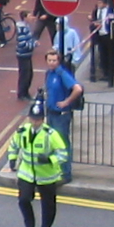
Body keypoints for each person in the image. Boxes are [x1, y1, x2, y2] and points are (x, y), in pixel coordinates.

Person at [7, 99, 68, 227]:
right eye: (33, 119)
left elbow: (63, 153)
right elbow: (14, 145)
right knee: (23, 200)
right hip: (27, 173)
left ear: (43, 119)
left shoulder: (50, 134)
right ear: (29, 118)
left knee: (48, 204)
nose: (35, 122)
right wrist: (12, 158)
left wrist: (49, 159)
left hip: (47, 175)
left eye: (38, 119)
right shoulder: (22, 131)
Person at [43, 47, 82, 183]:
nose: (52, 63)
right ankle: (56, 170)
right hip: (51, 113)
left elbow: (77, 89)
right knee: (52, 143)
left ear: (58, 61)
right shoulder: (49, 73)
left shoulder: (62, 73)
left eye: (54, 60)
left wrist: (67, 102)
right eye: (50, 60)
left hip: (61, 115)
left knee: (62, 144)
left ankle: (66, 173)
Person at [14, 12, 38, 100]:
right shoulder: (22, 28)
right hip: (23, 55)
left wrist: (33, 42)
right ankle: (22, 94)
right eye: (30, 16)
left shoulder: (26, 26)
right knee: (25, 75)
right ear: (24, 18)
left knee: (29, 74)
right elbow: (22, 43)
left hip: (27, 54)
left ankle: (25, 92)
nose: (32, 17)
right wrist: (33, 45)